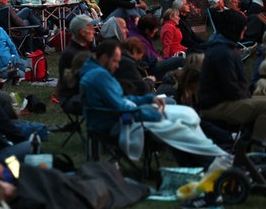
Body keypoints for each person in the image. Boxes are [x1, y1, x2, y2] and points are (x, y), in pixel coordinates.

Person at [80, 39, 227, 167]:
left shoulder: (96, 72)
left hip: (118, 118)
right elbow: (121, 106)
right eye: (115, 61)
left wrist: (149, 99)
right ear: (105, 58)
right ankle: (212, 160)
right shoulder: (99, 76)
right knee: (179, 126)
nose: (118, 66)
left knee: (183, 118)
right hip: (115, 123)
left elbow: (122, 100)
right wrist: (154, 114)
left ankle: (207, 160)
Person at [198, 9, 266, 145]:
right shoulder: (224, 53)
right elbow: (231, 87)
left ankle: (250, 141)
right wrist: (248, 96)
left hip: (221, 101)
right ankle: (257, 149)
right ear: (235, 28)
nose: (245, 28)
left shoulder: (222, 47)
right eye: (243, 26)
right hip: (217, 106)